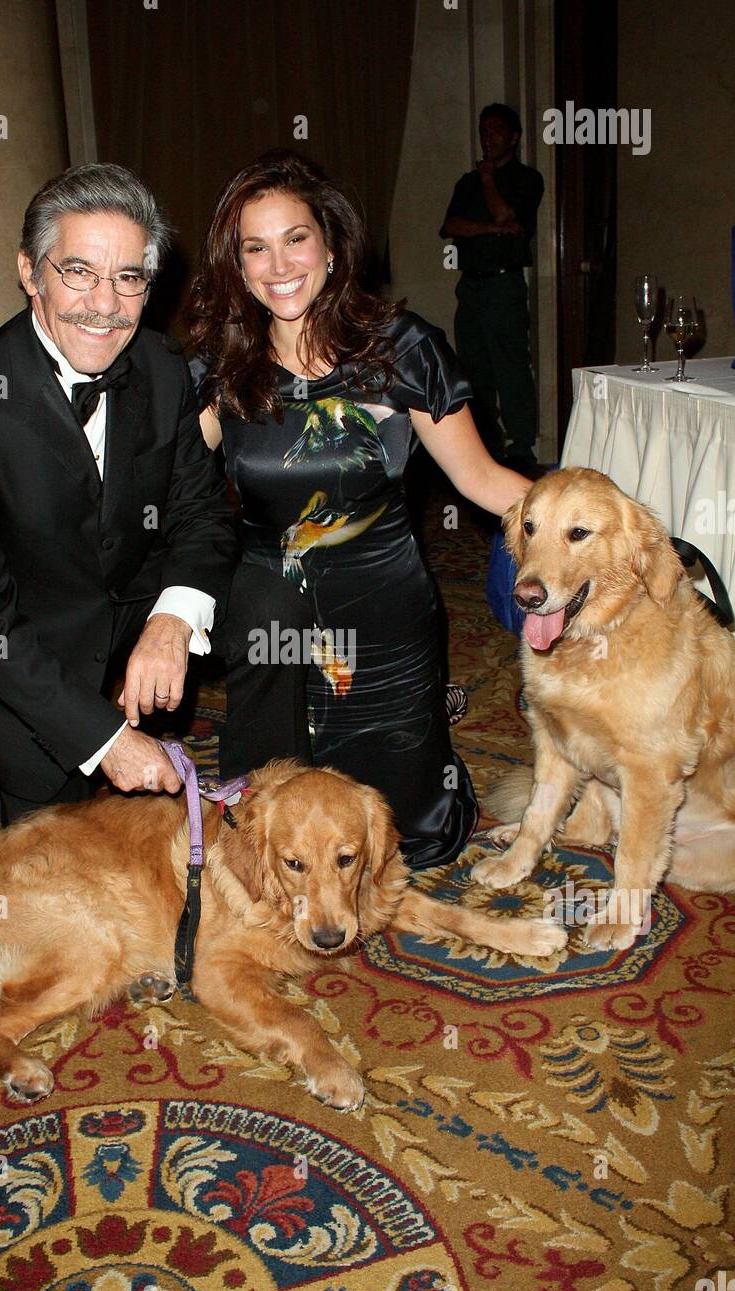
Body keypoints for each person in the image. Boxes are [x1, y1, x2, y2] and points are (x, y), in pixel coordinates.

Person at [0, 162, 301, 826]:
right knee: (58, 890)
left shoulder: (162, 366)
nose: (105, 303)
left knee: (269, 604)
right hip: (29, 655)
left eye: (128, 278)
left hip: (133, 602)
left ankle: (266, 805)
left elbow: (201, 514)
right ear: (30, 273)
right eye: (79, 271)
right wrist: (105, 739)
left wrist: (173, 620)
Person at [187, 150, 532, 870]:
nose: (278, 264)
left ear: (333, 245)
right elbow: (165, 491)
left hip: (384, 615)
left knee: (406, 835)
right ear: (237, 264)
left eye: (295, 238)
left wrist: (608, 523)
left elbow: (482, 480)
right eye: (255, 247)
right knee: (274, 843)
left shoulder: (401, 351)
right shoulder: (224, 367)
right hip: (275, 619)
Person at [439, 104, 544, 473]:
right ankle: (486, 444)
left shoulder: (526, 180)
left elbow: (506, 215)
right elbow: (451, 224)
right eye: (483, 130)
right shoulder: (466, 182)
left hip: (504, 284)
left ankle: (522, 448)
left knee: (512, 366)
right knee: (472, 367)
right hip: (471, 286)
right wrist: (495, 230)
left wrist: (488, 182)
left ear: (514, 136)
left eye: (496, 130)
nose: (488, 137)